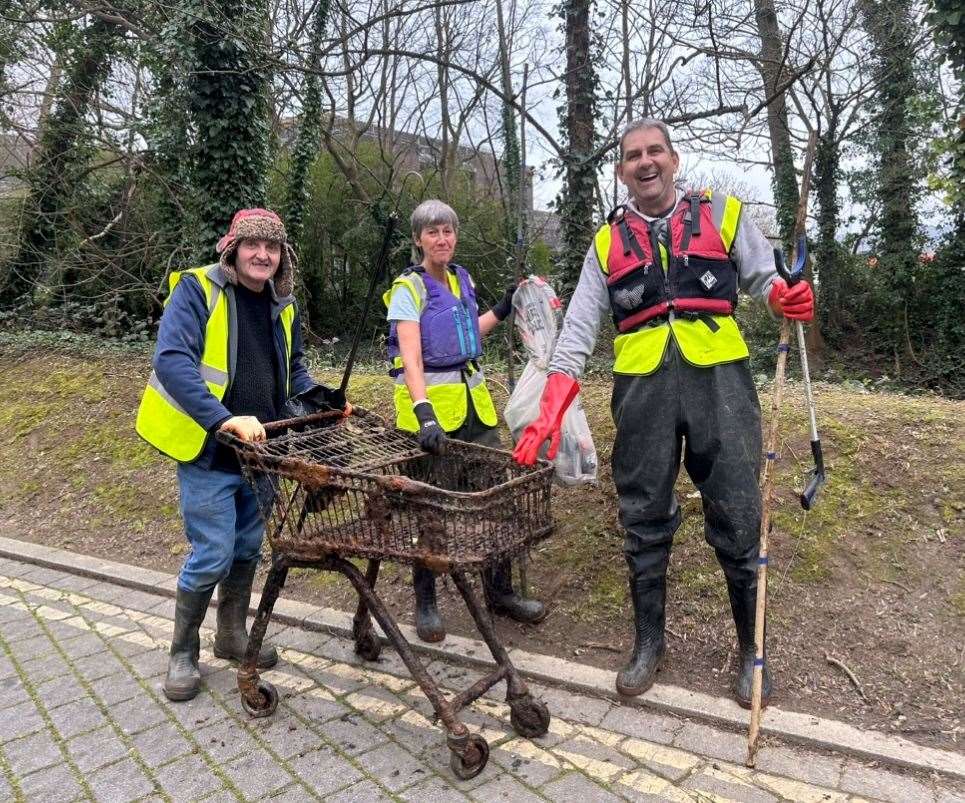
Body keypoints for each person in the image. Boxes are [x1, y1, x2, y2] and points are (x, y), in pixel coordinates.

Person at [513, 120, 815, 707]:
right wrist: (551, 407)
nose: (645, 163)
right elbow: (575, 333)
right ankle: (649, 642)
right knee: (643, 515)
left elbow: (766, 278)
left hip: (720, 386)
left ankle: (752, 652)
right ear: (622, 171)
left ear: (674, 160)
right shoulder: (605, 243)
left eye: (655, 152)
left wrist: (787, 294)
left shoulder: (723, 214)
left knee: (737, 512)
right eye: (632, 156)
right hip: (642, 393)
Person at [136, 208, 349, 702]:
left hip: (263, 456)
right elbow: (171, 360)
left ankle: (231, 637)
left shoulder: (283, 305)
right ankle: (182, 652)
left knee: (248, 549)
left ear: (281, 257)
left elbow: (292, 373)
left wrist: (320, 398)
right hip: (210, 452)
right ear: (232, 249)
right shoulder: (198, 290)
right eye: (252, 245)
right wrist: (222, 418)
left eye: (272, 248)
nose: (262, 255)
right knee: (212, 554)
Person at [384, 199, 546, 642]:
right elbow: (412, 356)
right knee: (430, 508)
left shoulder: (462, 277)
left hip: (476, 409)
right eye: (433, 232)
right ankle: (426, 602)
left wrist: (505, 305)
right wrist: (423, 415)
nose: (442, 239)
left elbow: (468, 333)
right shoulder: (408, 288)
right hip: (431, 418)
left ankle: (500, 591)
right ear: (418, 239)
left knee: (499, 498)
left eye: (448, 231)